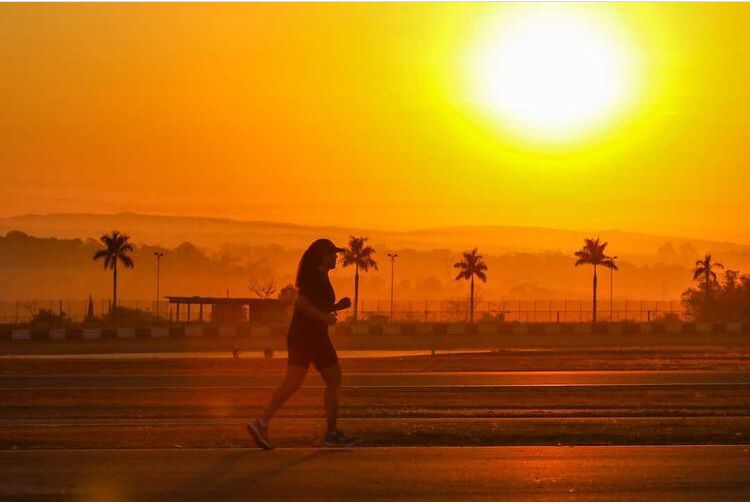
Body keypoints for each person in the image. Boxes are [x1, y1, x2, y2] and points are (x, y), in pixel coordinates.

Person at [247, 238, 357, 449]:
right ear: (323, 256)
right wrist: (325, 318)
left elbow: (314, 305)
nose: (336, 257)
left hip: (300, 335)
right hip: (313, 336)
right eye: (333, 253)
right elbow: (302, 303)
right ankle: (331, 433)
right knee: (334, 380)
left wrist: (336, 306)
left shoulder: (317, 276)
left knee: (293, 382)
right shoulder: (315, 276)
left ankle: (260, 422)